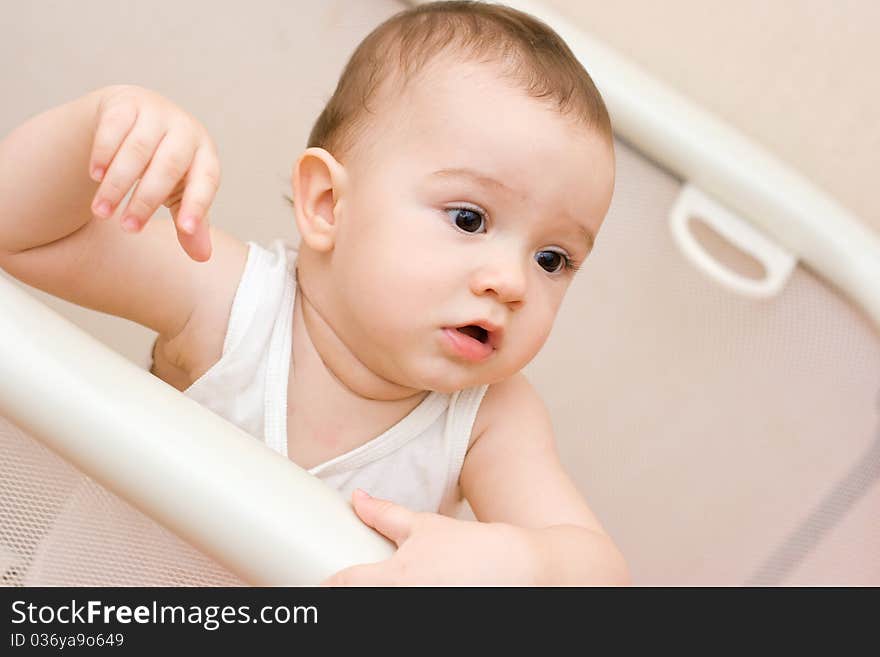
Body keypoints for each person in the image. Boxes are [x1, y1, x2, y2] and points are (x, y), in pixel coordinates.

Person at [0, 1, 626, 585]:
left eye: (553, 259)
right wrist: (101, 125)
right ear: (328, 204)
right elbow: (19, 236)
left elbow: (602, 576)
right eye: (469, 219)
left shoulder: (486, 419)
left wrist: (522, 562)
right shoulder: (229, 302)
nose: (513, 282)